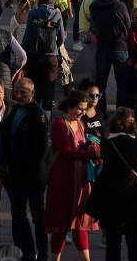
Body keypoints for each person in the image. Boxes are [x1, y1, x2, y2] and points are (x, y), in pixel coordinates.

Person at [43, 90, 99, 261]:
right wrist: (90, 154)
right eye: (79, 108)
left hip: (80, 181)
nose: (82, 112)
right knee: (60, 224)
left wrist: (91, 148)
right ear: (69, 106)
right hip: (63, 180)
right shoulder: (60, 124)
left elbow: (79, 148)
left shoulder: (81, 124)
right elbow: (67, 152)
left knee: (79, 224)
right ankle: (55, 258)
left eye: (84, 109)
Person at [86, 107, 137, 261]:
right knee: (136, 241)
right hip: (134, 197)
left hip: (112, 197)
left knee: (113, 242)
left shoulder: (107, 145)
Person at [0, 77, 48, 261]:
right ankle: (26, 252)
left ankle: (43, 253)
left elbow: (40, 149)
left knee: (38, 217)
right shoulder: (15, 110)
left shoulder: (38, 115)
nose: (19, 95)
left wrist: (23, 165)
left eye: (23, 92)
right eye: (16, 92)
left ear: (32, 93)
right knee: (18, 214)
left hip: (33, 174)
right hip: (16, 173)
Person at [89, 0, 132, 114]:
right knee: (123, 84)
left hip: (102, 47)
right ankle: (121, 113)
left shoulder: (94, 5)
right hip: (119, 46)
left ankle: (101, 112)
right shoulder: (119, 6)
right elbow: (128, 25)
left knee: (100, 83)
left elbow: (94, 25)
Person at [22, 0, 65, 111]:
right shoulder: (57, 13)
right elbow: (62, 37)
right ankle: (46, 117)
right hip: (51, 57)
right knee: (49, 88)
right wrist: (54, 47)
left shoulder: (33, 12)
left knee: (33, 85)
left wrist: (25, 52)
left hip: (34, 55)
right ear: (53, 1)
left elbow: (27, 36)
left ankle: (32, 111)